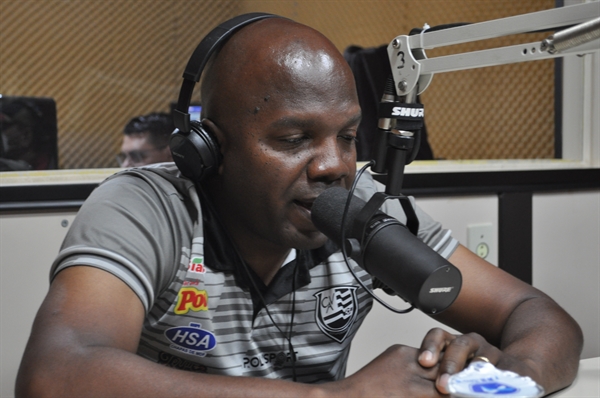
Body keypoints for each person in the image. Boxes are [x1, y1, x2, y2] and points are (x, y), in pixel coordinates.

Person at [16, 15, 582, 397]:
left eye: (348, 135)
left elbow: (536, 314)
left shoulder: (359, 207)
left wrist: (506, 377)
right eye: (292, 140)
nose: (334, 165)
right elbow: (56, 372)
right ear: (210, 150)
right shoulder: (145, 208)